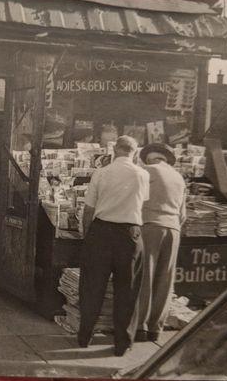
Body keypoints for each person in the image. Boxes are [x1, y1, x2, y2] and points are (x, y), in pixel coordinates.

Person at [78, 135, 149, 356]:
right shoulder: (143, 175)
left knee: (92, 286)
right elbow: (141, 204)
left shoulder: (101, 173)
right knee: (127, 290)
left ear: (115, 150)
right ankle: (122, 343)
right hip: (130, 234)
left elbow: (89, 209)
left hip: (101, 232)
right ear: (134, 152)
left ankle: (84, 336)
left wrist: (87, 234)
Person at [136, 143, 186, 343]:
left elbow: (134, 200)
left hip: (149, 226)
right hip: (173, 228)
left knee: (145, 277)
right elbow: (183, 214)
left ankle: (140, 326)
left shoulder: (146, 171)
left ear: (149, 158)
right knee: (165, 279)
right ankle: (155, 328)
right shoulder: (179, 177)